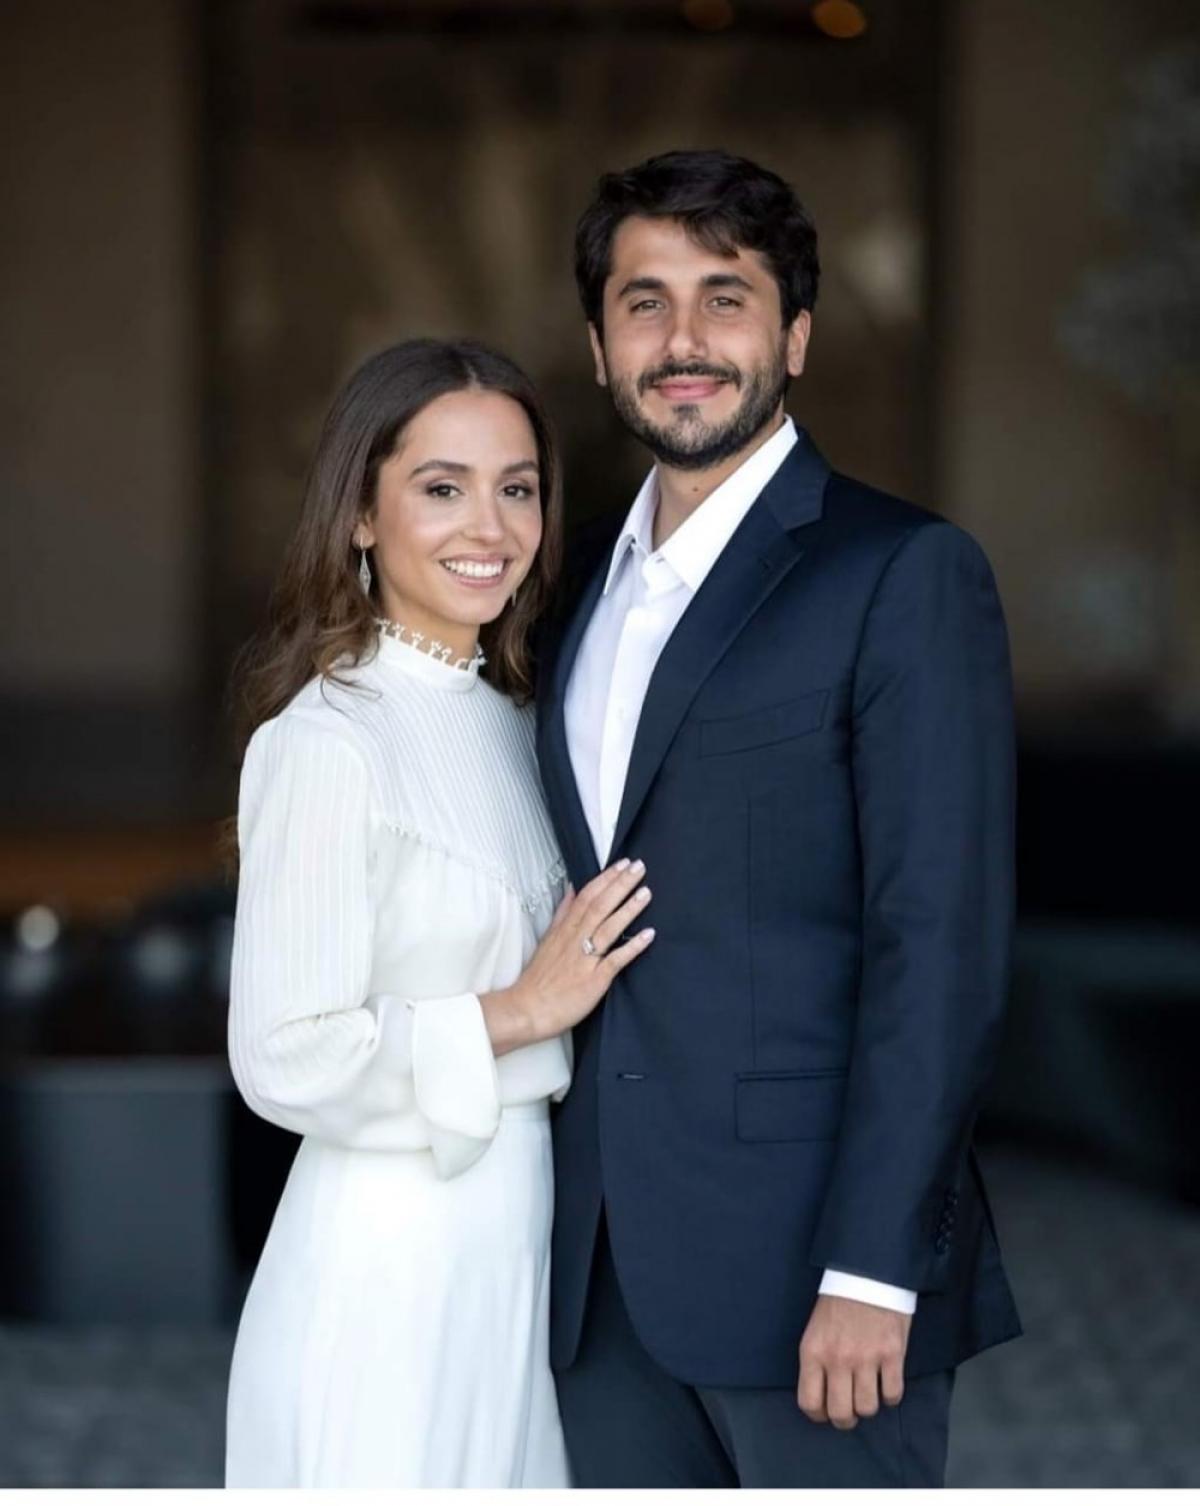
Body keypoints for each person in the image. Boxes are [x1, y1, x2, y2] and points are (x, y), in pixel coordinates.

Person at [536, 150, 1023, 1489]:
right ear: (599, 348)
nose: (683, 340)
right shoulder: (564, 585)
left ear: (795, 336)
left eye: (726, 297)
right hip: (593, 1275)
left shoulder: (902, 572)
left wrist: (876, 1264)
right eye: (644, 302)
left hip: (816, 1275)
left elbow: (939, 942)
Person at [223, 337, 656, 1487]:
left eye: (517, 488)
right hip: (386, 1262)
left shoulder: (521, 725)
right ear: (362, 515)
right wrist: (520, 1011)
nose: (490, 528)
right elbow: (284, 1056)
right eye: (442, 488)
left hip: (514, 1252)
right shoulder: (328, 741)